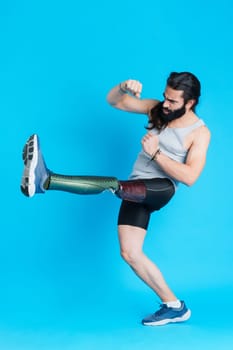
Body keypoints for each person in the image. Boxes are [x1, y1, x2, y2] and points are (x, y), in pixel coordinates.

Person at [21, 72, 211, 326]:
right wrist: (122, 87)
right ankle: (174, 306)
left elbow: (190, 177)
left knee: (114, 185)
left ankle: (46, 179)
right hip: (135, 188)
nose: (166, 104)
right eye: (165, 97)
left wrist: (156, 155)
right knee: (130, 253)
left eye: (173, 101)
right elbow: (116, 102)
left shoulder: (200, 132)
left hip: (161, 188)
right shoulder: (157, 109)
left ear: (190, 103)